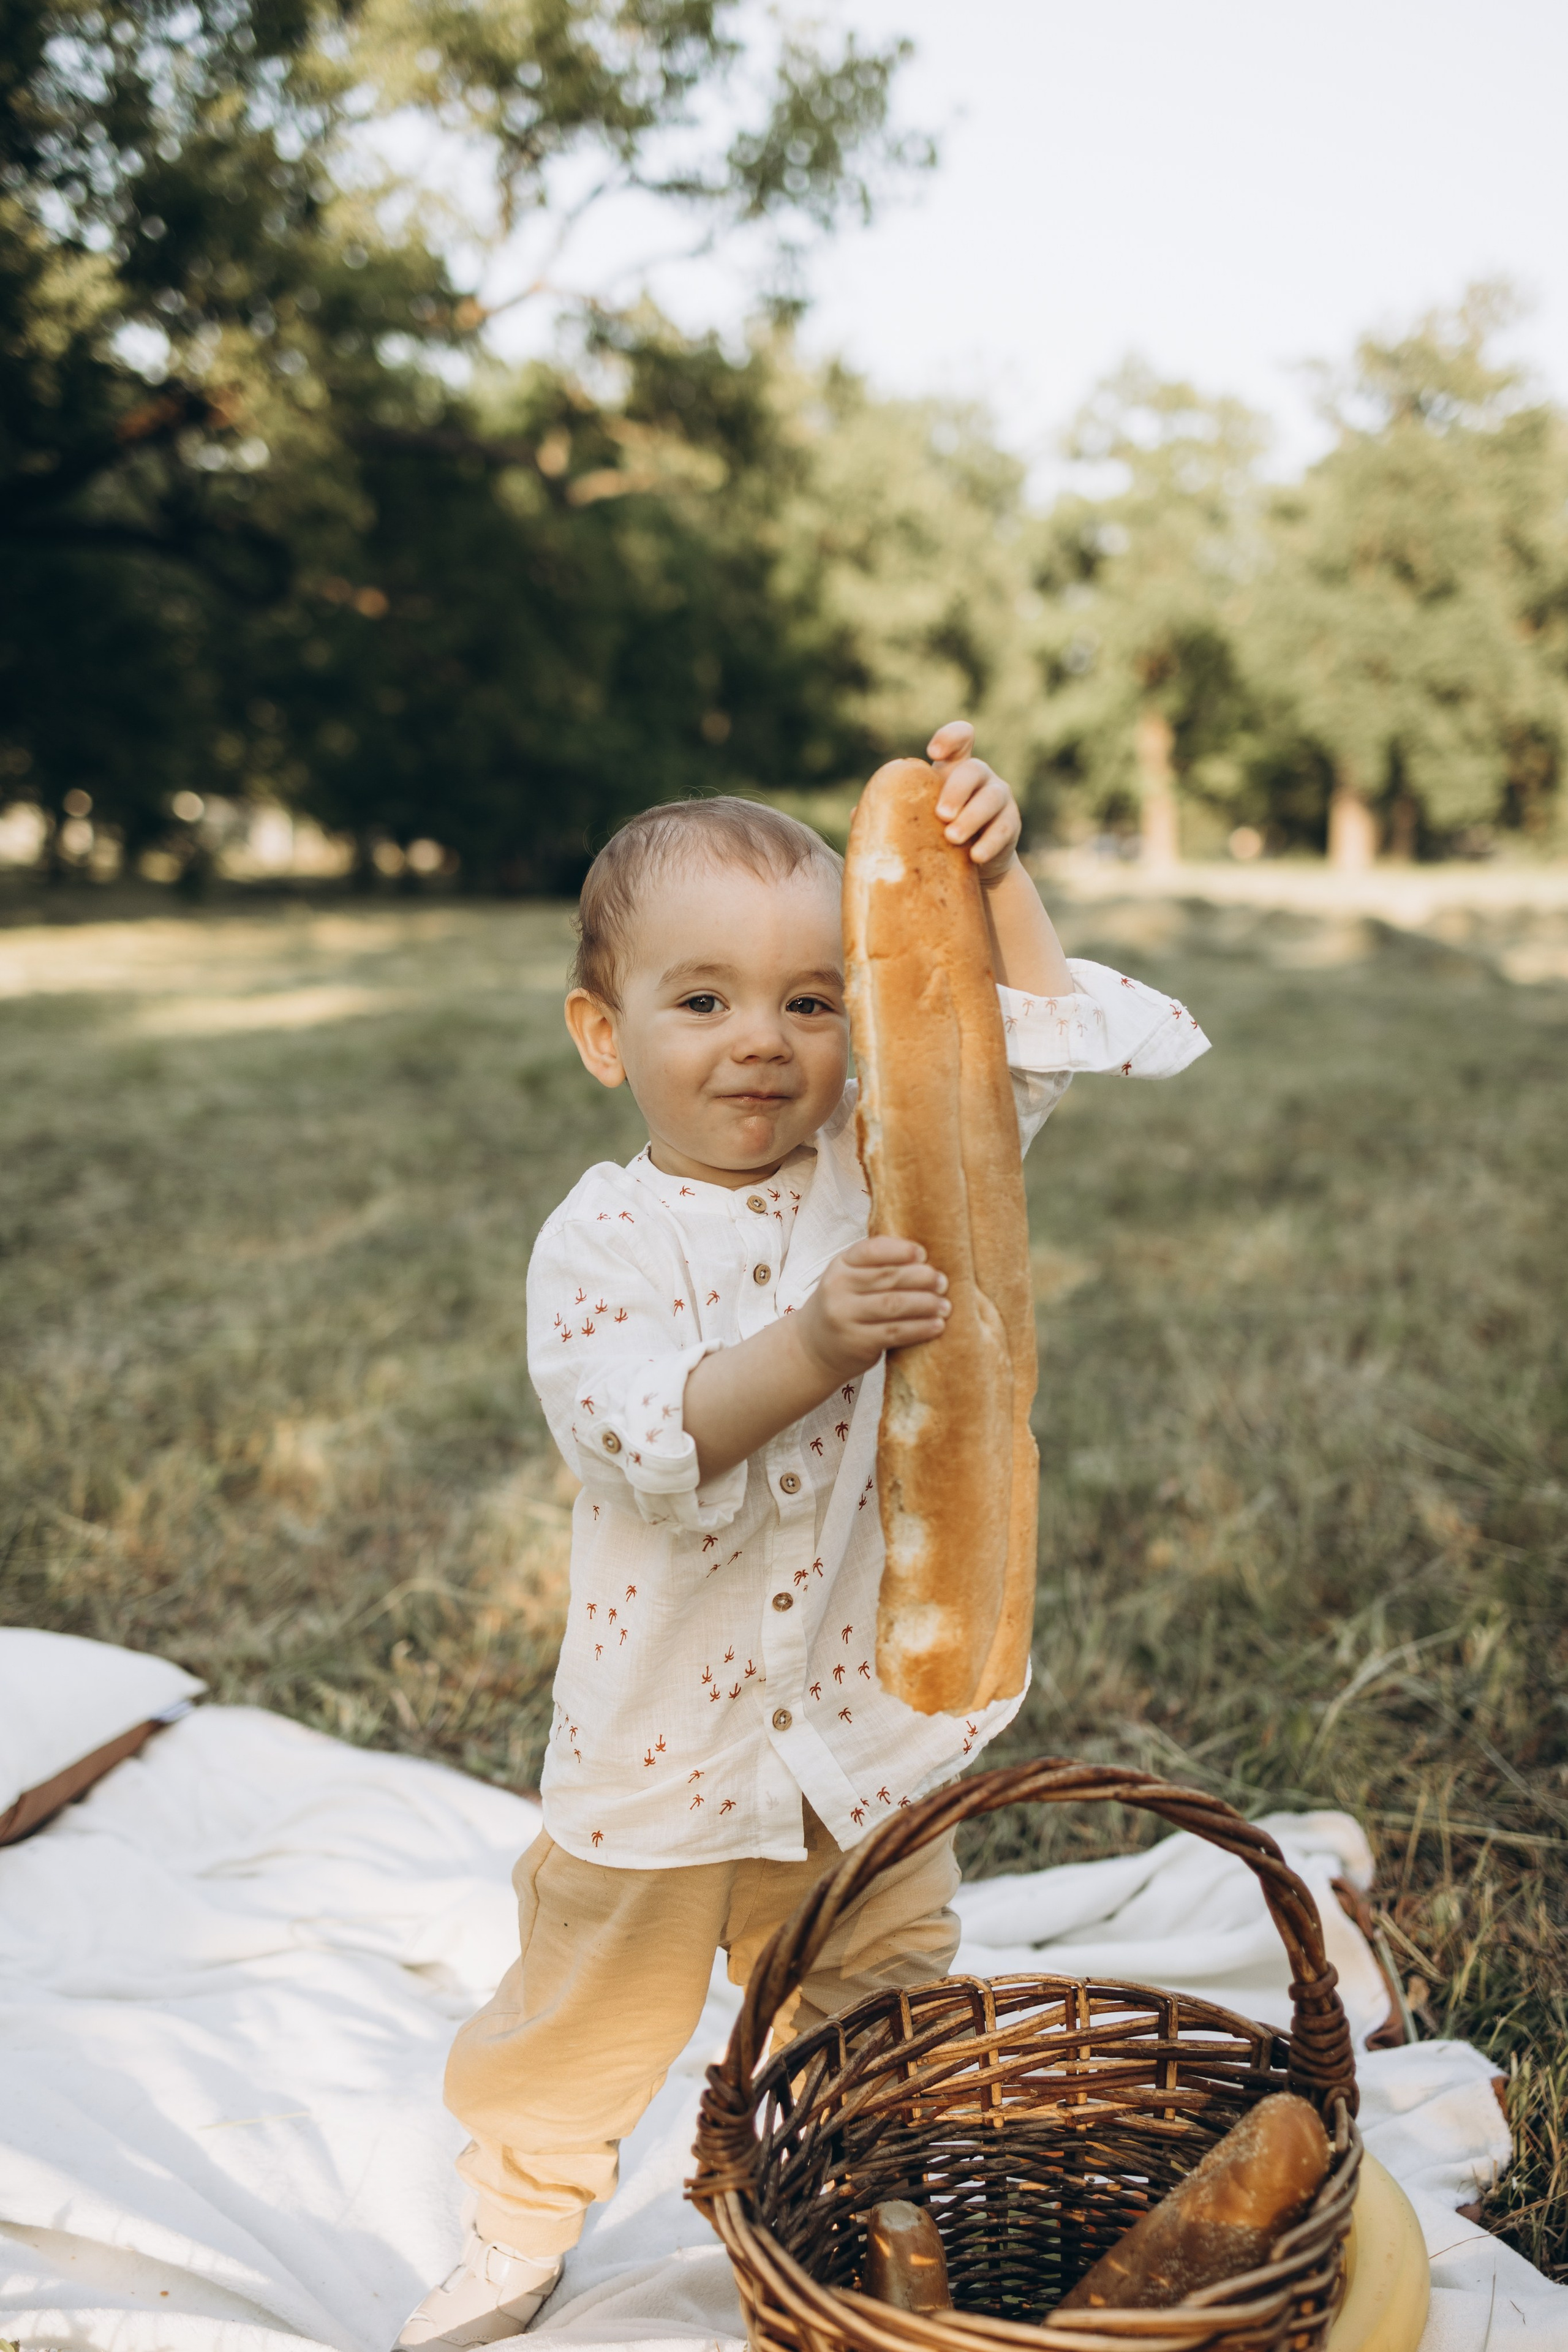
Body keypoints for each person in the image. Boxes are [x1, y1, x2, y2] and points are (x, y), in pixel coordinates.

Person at [396, 722, 1210, 2349]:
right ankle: (521, 2214)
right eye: (700, 1001)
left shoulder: (889, 1161)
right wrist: (818, 1346)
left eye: (810, 999)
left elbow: (1021, 1048)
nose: (760, 1041)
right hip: (661, 1752)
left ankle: (863, 2209)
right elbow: (643, 1435)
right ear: (602, 1034)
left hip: (859, 1735)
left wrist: (997, 879)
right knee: (586, 2026)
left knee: (886, 2005)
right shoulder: (601, 1238)